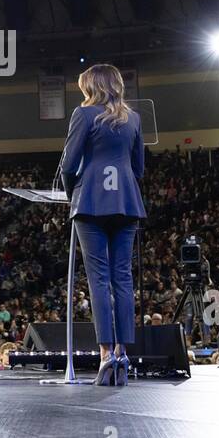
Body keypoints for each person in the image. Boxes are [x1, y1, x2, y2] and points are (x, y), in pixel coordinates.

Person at [58, 63, 145, 387]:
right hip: (126, 202)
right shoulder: (134, 118)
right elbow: (138, 168)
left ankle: (106, 354)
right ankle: (123, 352)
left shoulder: (83, 115)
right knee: (122, 277)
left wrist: (73, 195)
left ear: (91, 87)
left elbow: (68, 164)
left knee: (99, 280)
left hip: (91, 202)